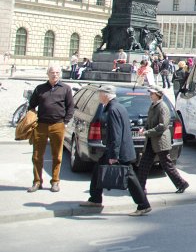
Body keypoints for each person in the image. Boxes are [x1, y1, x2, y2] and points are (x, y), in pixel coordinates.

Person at [79, 85, 151, 216]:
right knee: (97, 170)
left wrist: (114, 155)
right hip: (116, 149)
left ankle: (143, 205)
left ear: (106, 95)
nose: (98, 96)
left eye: (100, 94)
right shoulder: (117, 106)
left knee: (129, 177)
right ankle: (95, 199)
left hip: (118, 151)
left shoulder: (112, 109)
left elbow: (116, 134)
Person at [27, 64, 75, 193]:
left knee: (57, 156)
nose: (55, 75)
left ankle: (55, 182)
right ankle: (37, 182)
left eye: (57, 73)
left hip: (58, 125)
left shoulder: (66, 89)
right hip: (41, 125)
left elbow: (70, 107)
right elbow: (31, 105)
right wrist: (31, 119)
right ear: (47, 74)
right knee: (37, 156)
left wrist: (65, 122)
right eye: (52, 72)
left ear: (60, 74)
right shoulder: (40, 89)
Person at [135, 86, 189, 194]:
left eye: (152, 93)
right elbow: (149, 122)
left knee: (167, 165)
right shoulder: (153, 106)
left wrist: (146, 132)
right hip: (151, 140)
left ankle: (181, 183)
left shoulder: (162, 107)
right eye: (150, 93)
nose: (150, 95)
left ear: (158, 95)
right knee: (144, 164)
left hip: (160, 141)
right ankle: (140, 187)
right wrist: (144, 128)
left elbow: (162, 126)